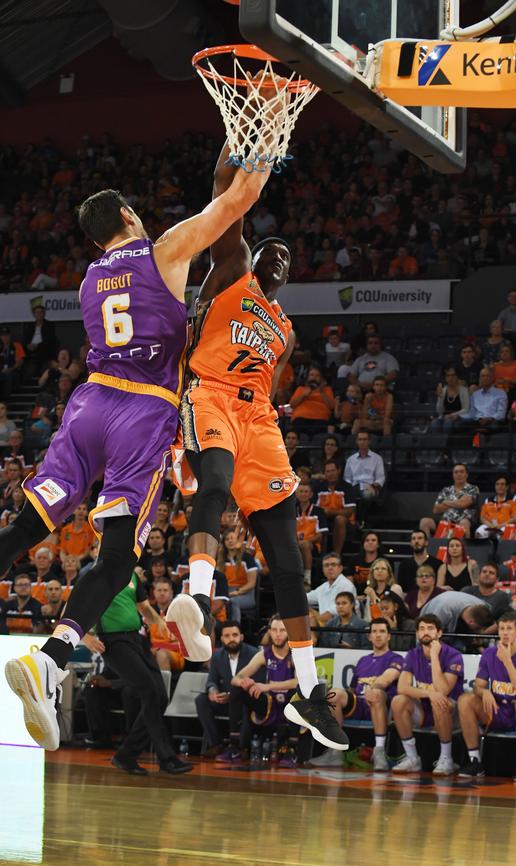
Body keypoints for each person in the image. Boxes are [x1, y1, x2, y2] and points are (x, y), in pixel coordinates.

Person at [0, 158, 270, 752]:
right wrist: (262, 147)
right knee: (118, 560)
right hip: (141, 411)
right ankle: (51, 657)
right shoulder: (162, 250)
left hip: (88, 405)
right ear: (127, 215)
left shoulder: (92, 277)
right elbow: (233, 209)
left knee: (25, 526)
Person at [166, 141, 348, 751]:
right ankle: (196, 601)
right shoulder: (232, 270)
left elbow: (269, 382)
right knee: (214, 482)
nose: (277, 254)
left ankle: (306, 692)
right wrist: (240, 149)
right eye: (272, 248)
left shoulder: (287, 332)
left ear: (289, 277)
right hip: (210, 394)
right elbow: (227, 200)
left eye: (285, 256)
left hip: (260, 421)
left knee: (289, 561)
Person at [83, 570, 194, 775]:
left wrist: (161, 623)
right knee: (150, 692)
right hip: (113, 642)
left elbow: (144, 607)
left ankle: (127, 755)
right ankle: (166, 758)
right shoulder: (94, 576)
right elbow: (67, 612)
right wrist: (85, 637)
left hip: (137, 639)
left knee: (160, 696)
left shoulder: (131, 576)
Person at [310, 618, 402, 771]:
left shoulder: (395, 658)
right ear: (369, 636)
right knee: (334, 694)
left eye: (382, 631)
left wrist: (373, 688)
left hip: (381, 705)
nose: (378, 635)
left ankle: (379, 751)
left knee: (376, 693)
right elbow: (352, 690)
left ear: (389, 636)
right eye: (374, 632)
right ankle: (335, 751)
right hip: (359, 704)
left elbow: (387, 679)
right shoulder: (363, 660)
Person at [458, 612, 516, 781]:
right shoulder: (489, 654)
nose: (505, 633)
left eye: (510, 629)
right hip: (495, 710)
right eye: (502, 629)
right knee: (465, 700)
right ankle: (474, 761)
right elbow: (478, 686)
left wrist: (508, 662)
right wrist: (484, 691)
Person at [391, 614, 464, 775]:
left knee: (440, 701)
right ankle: (412, 758)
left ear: (439, 633)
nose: (426, 632)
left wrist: (434, 657)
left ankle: (446, 758)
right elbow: (402, 687)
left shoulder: (453, 655)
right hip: (425, 708)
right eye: (422, 628)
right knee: (398, 701)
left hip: (452, 712)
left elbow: (443, 690)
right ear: (417, 633)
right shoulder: (412, 654)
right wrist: (428, 694)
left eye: (430, 628)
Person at [220, 615, 299, 763]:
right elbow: (236, 678)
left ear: (289, 632)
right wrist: (244, 682)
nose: (278, 634)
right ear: (269, 632)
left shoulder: (296, 654)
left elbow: (298, 682)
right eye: (274, 630)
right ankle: (235, 747)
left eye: (282, 630)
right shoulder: (264, 654)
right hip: (270, 705)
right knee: (237, 689)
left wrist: (268, 686)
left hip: (290, 704)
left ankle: (291, 750)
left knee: (297, 693)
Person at [195, 620, 257, 756]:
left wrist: (234, 694)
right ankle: (215, 744)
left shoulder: (254, 654)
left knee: (247, 703)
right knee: (201, 700)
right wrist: (213, 691)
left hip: (244, 701)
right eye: (227, 636)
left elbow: (257, 682)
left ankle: (242, 747)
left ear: (241, 637)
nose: (231, 639)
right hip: (224, 701)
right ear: (222, 639)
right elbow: (211, 681)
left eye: (235, 635)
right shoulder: (217, 656)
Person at [419, 464, 479, 539]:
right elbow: (436, 510)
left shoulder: (473, 488)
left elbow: (463, 504)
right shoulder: (446, 490)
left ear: (466, 474)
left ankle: (463, 549)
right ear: (453, 475)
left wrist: (445, 502)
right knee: (425, 521)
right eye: (456, 472)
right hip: (446, 522)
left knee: (464, 522)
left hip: (465, 522)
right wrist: (457, 502)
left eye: (461, 472)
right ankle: (426, 549)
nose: (458, 474)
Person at [343, 430, 385, 527]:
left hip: (370, 486)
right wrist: (348, 488)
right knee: (347, 495)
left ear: (369, 441)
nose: (362, 442)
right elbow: (347, 478)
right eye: (360, 439)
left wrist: (373, 486)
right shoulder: (351, 459)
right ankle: (351, 521)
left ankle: (360, 520)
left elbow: (380, 478)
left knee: (366, 495)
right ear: (357, 441)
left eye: (365, 439)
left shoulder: (377, 458)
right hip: (354, 486)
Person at [315, 459, 356, 555]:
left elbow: (349, 511)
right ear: (324, 473)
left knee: (340, 519)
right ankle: (320, 555)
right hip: (322, 519)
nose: (330, 474)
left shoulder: (347, 487)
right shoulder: (317, 488)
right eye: (328, 471)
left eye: (333, 471)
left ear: (339, 471)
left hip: (344, 521)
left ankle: (336, 555)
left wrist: (329, 512)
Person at [307, 552, 356, 627]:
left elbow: (333, 612)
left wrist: (315, 621)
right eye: (326, 565)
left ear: (340, 568)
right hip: (324, 625)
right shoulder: (324, 587)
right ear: (323, 570)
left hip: (344, 627)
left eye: (333, 565)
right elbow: (305, 598)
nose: (330, 568)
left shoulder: (346, 585)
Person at [294, 480, 328, 590]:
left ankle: (307, 579)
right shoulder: (291, 511)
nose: (303, 494)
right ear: (296, 494)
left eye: (306, 491)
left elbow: (321, 534)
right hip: (294, 543)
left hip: (312, 545)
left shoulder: (318, 511)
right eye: (301, 491)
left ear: (311, 494)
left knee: (304, 545)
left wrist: (308, 541)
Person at [288, 365, 335, 434]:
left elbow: (332, 406)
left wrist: (322, 392)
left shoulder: (327, 390)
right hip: (301, 417)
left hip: (320, 418)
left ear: (321, 378)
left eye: (317, 376)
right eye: (312, 375)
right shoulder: (301, 389)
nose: (314, 378)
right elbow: (292, 405)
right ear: (307, 377)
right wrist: (303, 395)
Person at [475, 475, 516, 540]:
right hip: (490, 525)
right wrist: (491, 526)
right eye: (497, 484)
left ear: (507, 487)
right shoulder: (488, 500)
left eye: (502, 484)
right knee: (479, 532)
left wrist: (500, 525)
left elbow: (515, 518)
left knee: (505, 533)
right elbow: (482, 518)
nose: (499, 486)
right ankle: (483, 550)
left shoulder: (514, 499)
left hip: (506, 525)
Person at [397, 530, 443, 594]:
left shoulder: (437, 563)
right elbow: (401, 588)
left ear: (426, 542)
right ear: (410, 543)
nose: (416, 541)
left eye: (420, 538)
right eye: (413, 539)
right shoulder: (404, 564)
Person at [430, 367, 470, 432]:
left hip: (458, 417)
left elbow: (466, 409)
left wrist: (452, 415)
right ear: (445, 378)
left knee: (448, 423)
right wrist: (440, 397)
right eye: (448, 376)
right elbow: (439, 411)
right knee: (434, 423)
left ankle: (447, 442)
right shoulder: (443, 390)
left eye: (453, 375)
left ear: (457, 377)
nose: (450, 378)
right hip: (444, 417)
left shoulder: (463, 390)